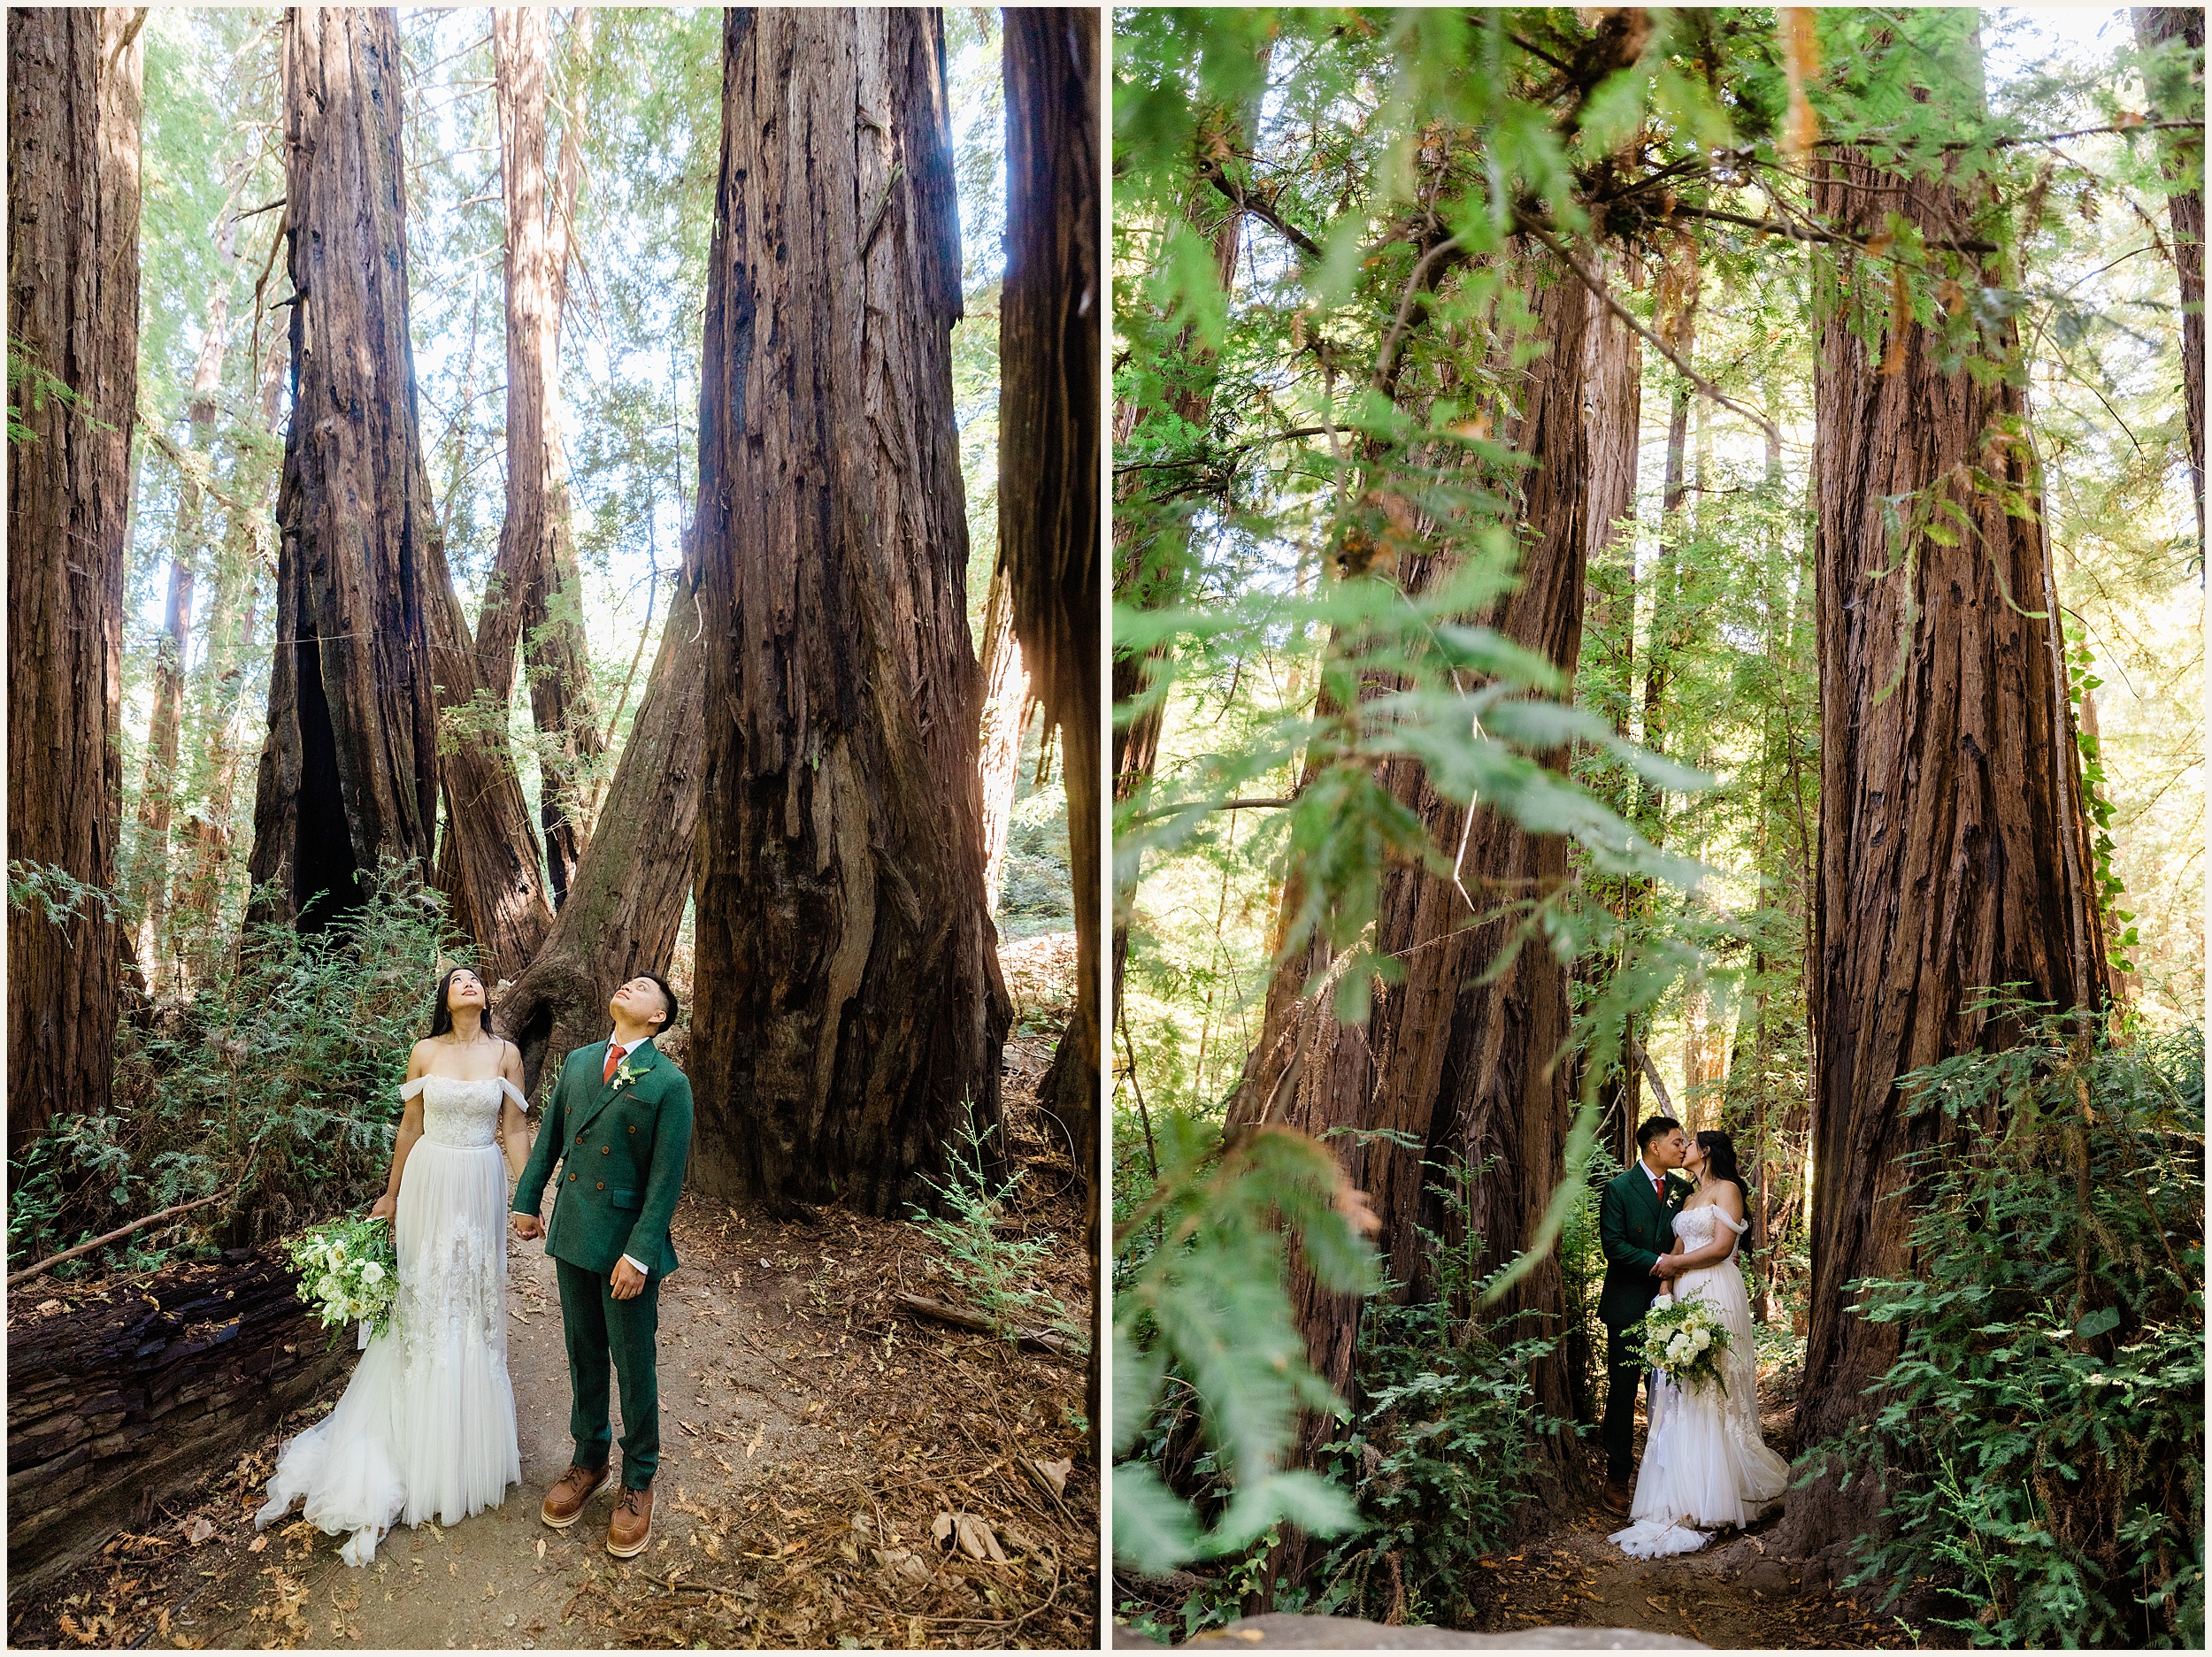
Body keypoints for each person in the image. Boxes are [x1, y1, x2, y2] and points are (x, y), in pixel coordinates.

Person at [256, 965, 530, 1565]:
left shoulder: (507, 1052)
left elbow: (513, 1128)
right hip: (430, 1182)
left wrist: (526, 1194)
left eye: (475, 978)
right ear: (445, 997)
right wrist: (392, 1192)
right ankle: (416, 1443)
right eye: (456, 979)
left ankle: (467, 1450)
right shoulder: (423, 1050)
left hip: (479, 1183)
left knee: (474, 1302)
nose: (467, 983)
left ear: (486, 996)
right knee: (426, 1300)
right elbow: (410, 1125)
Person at [511, 973, 694, 1559]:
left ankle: (639, 1477)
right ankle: (590, 1458)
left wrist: (639, 1253)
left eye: (645, 988)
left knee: (632, 1359)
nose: (630, 986)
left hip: (625, 1243)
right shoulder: (583, 1061)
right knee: (583, 1349)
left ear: (658, 1019)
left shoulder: (669, 1083)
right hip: (574, 1229)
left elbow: (666, 1181)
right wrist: (526, 1197)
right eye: (630, 981)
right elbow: (552, 1140)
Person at [1609, 1128, 1793, 1559]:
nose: (1683, 1147)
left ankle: (1720, 1489)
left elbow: (1721, 1246)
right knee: (1683, 1389)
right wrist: (1667, 1288)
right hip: (1683, 1295)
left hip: (1714, 1290)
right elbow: (1676, 1242)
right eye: (1678, 1141)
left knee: (1715, 1382)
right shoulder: (1688, 1198)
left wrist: (1672, 1264)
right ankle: (1684, 1485)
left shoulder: (1728, 1190)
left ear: (1705, 1152)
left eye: (1688, 1143)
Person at [1598, 1116, 1691, 1516]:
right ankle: (1616, 1478)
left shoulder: (1683, 1189)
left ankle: (1667, 1479)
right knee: (1622, 1392)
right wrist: (1660, 1263)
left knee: (1670, 1393)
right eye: (1676, 1142)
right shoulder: (1618, 1188)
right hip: (1627, 1305)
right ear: (1654, 1146)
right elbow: (1614, 1247)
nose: (1682, 1148)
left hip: (1675, 1307)